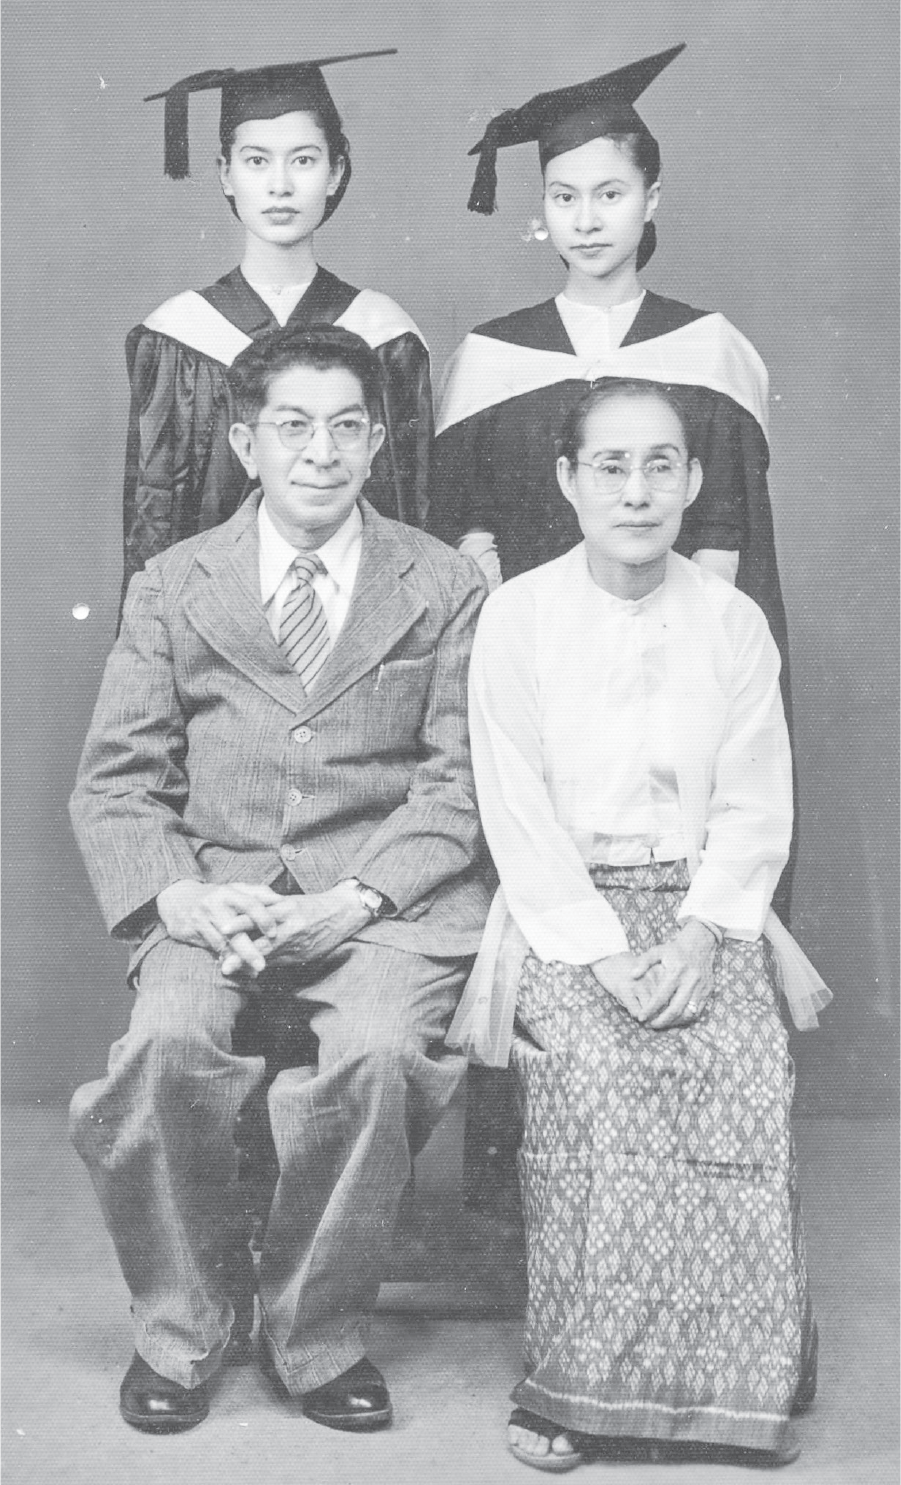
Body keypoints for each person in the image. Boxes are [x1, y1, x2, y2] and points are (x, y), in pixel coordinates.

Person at [69, 323, 490, 1434]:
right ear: (247, 443)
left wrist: (353, 900)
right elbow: (116, 784)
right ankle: (186, 1324)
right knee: (165, 1045)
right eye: (293, 428)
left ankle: (317, 1332)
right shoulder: (174, 582)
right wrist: (182, 899)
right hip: (220, 899)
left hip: (383, 907)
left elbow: (455, 788)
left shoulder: (442, 582)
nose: (322, 452)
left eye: (347, 426)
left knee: (382, 1050)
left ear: (376, 439)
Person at [449, 380, 830, 1471]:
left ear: (694, 483)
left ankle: (735, 1387)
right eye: (609, 465)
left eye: (661, 464)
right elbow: (512, 805)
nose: (636, 488)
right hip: (562, 910)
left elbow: (758, 800)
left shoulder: (730, 620)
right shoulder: (517, 616)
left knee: (741, 1069)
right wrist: (603, 955)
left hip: (711, 905)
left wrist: (707, 935)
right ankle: (577, 1389)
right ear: (567, 482)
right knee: (597, 1080)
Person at [122, 52, 432, 608]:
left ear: (336, 172)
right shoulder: (176, 337)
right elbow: (153, 519)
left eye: (304, 161)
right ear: (225, 174)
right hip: (210, 630)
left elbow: (412, 514)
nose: (281, 185)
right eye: (257, 161)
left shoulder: (386, 336)